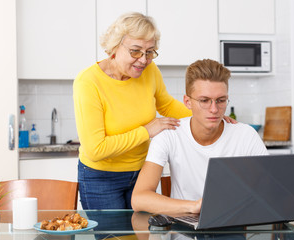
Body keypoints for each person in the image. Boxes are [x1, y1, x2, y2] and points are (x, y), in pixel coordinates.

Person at [73, 13, 236, 210]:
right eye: (135, 51)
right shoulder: (89, 82)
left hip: (141, 173)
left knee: (143, 235)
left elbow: (166, 105)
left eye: (150, 52)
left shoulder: (149, 71)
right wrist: (146, 131)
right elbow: (95, 149)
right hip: (101, 177)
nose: (143, 60)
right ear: (115, 46)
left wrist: (209, 115)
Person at [131, 59, 268, 214]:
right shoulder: (169, 134)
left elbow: (269, 190)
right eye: (204, 101)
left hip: (232, 225)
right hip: (183, 231)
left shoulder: (246, 135)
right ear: (187, 102)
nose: (214, 109)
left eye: (221, 100)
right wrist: (193, 206)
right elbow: (138, 199)